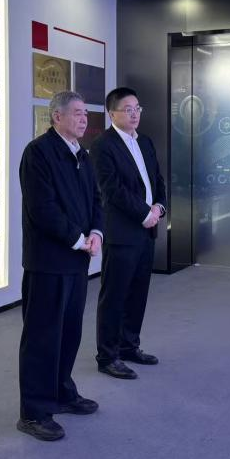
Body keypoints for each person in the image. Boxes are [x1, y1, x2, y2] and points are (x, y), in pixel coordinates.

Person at [17, 90, 104, 441]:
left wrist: (96, 232)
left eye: (85, 113)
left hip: (77, 260)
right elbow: (43, 209)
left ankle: (62, 392)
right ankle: (34, 412)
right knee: (42, 338)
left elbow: (96, 199)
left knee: (69, 333)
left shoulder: (82, 153)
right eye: (77, 113)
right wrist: (78, 239)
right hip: (49, 262)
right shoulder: (38, 153)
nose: (84, 119)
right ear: (57, 116)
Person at [90, 87, 167, 380]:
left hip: (147, 231)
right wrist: (144, 213)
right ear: (112, 113)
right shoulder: (103, 145)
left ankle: (129, 346)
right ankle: (107, 356)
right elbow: (111, 190)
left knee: (138, 293)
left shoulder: (144, 142)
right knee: (115, 295)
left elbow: (156, 180)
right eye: (127, 109)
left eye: (137, 109)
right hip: (122, 233)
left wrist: (159, 206)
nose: (134, 114)